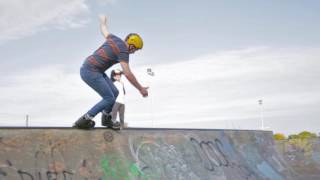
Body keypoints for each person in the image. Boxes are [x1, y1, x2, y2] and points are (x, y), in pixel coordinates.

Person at [73, 15, 148, 130]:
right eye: (135, 49)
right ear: (132, 45)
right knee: (109, 98)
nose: (134, 52)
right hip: (90, 71)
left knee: (115, 91)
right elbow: (128, 73)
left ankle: (106, 118)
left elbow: (103, 29)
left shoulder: (113, 38)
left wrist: (103, 21)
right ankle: (85, 119)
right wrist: (140, 88)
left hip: (94, 69)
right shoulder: (123, 51)